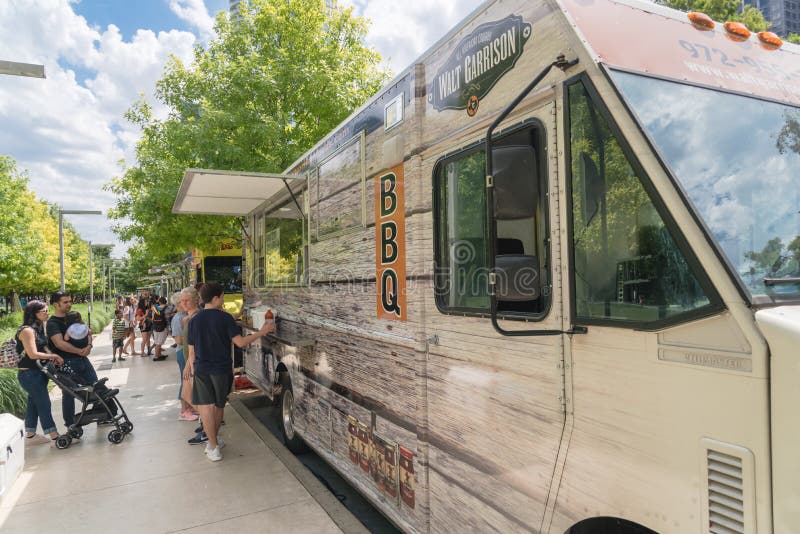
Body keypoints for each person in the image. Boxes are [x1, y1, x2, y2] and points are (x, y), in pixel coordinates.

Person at [185, 282, 273, 461]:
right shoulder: (225, 318)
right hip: (222, 369)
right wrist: (262, 331)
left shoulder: (194, 320)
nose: (223, 300)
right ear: (216, 298)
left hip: (202, 369)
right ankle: (214, 443)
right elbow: (240, 342)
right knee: (218, 406)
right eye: (223, 296)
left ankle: (214, 445)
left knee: (206, 408)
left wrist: (190, 369)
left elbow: (192, 351)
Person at [46, 291, 97, 430]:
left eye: (70, 301)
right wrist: (79, 351)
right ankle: (70, 424)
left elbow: (88, 331)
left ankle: (102, 415)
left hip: (83, 360)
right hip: (67, 363)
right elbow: (59, 343)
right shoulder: (52, 323)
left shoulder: (73, 316)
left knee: (96, 386)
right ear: (56, 304)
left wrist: (89, 345)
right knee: (69, 393)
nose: (69, 304)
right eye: (65, 302)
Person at [16, 301, 64, 445]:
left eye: (48, 310)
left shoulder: (38, 327)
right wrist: (53, 356)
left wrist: (53, 356)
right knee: (44, 403)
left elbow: (43, 346)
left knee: (34, 402)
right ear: (34, 313)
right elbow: (32, 354)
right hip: (29, 374)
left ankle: (30, 435)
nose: (47, 313)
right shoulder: (26, 331)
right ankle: (55, 436)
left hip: (39, 372)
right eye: (44, 311)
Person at [170, 292, 196, 421]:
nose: (185, 303)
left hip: (186, 351)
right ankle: (183, 410)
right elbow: (179, 340)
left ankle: (189, 407)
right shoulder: (178, 318)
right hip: (182, 352)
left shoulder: (185, 316)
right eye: (182, 301)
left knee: (188, 380)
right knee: (185, 380)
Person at [151, 296, 169, 361]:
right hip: (163, 327)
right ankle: (156, 356)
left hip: (155, 326)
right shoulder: (167, 308)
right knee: (159, 342)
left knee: (157, 341)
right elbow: (167, 318)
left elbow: (153, 318)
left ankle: (159, 354)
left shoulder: (155, 308)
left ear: (159, 302)